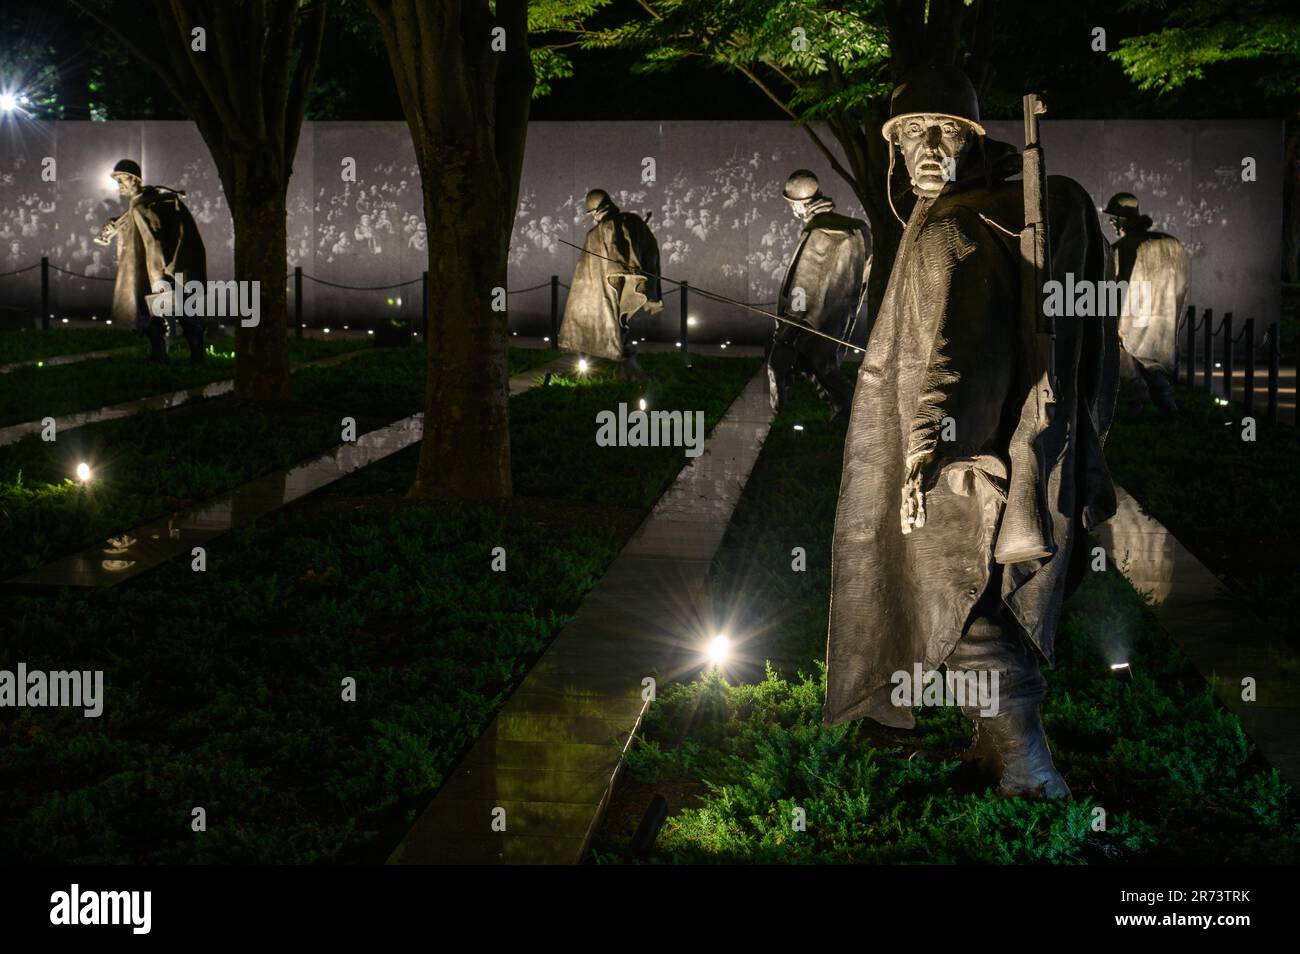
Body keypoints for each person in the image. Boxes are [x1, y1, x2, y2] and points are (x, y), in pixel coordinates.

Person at [825, 65, 1119, 799]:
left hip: (965, 460)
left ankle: (1028, 768)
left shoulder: (955, 228)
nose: (928, 146)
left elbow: (965, 352)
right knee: (972, 602)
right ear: (894, 152)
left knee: (961, 607)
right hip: (985, 450)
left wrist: (928, 447)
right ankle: (994, 749)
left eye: (945, 131)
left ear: (971, 139)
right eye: (911, 135)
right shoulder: (963, 215)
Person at [767, 169, 868, 421]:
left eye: (792, 206)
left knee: (788, 361)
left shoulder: (815, 233)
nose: (793, 211)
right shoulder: (857, 229)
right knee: (820, 364)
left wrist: (788, 325)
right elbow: (865, 273)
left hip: (810, 316)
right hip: (839, 312)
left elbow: (801, 283)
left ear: (800, 205)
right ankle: (843, 409)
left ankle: (843, 410)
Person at [97, 158, 207, 363]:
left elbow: (153, 242)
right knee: (157, 315)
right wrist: (116, 226)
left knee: (177, 314)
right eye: (118, 180)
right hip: (157, 272)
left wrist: (159, 280)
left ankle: (192, 357)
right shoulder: (145, 202)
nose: (119, 184)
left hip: (156, 274)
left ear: (135, 180)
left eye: (123, 179)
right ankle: (165, 355)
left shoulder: (143, 206)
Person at [559, 189, 663, 381]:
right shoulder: (633, 221)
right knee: (613, 323)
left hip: (611, 287)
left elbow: (626, 255)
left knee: (609, 322)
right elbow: (650, 253)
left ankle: (624, 364)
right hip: (624, 283)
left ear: (596, 211)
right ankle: (621, 364)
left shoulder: (599, 232)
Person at [1104, 192, 1188, 412]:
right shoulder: (1172, 245)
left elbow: (1115, 290)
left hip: (1129, 322)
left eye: (1114, 217)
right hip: (1160, 321)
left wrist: (1111, 320)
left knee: (1128, 368)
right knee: (1153, 366)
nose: (1111, 222)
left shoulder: (1121, 249)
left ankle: (1138, 406)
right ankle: (1166, 405)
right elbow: (1181, 288)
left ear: (1122, 219)